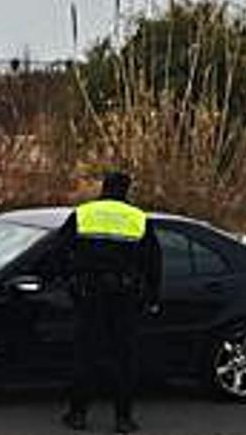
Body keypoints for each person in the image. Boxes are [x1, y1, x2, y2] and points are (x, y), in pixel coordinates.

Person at [60, 171, 162, 433]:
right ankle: (123, 419)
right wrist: (152, 297)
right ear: (127, 190)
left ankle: (78, 414)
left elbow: (59, 251)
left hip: (90, 295)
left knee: (85, 355)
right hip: (124, 297)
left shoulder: (83, 214)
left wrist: (69, 283)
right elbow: (153, 262)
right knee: (124, 359)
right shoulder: (138, 219)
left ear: (103, 188)